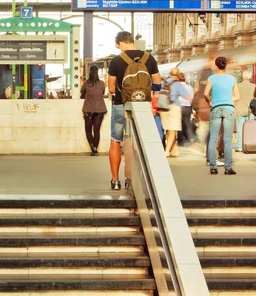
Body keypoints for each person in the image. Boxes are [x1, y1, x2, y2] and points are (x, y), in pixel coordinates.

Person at [107, 31, 161, 191]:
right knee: (134, 141)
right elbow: (158, 83)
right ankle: (130, 178)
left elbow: (110, 88)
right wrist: (149, 94)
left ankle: (115, 180)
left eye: (119, 45)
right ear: (132, 41)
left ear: (121, 43)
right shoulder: (148, 58)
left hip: (120, 104)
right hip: (142, 106)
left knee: (115, 140)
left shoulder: (116, 61)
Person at [203, 56, 240, 175]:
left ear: (216, 65)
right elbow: (238, 96)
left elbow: (205, 93)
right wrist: (229, 99)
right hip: (229, 108)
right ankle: (228, 168)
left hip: (216, 109)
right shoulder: (232, 79)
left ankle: (213, 167)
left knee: (213, 138)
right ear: (226, 66)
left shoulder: (212, 78)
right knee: (227, 140)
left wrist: (210, 101)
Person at [160, 68, 190, 157]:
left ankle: (173, 150)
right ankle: (167, 150)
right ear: (177, 75)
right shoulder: (177, 84)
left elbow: (157, 94)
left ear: (169, 73)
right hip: (174, 107)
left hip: (163, 107)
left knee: (168, 130)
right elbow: (187, 97)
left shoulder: (163, 82)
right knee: (173, 130)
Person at [80, 65, 107, 156]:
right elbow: (102, 93)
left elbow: (82, 92)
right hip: (100, 109)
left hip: (88, 109)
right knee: (96, 131)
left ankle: (93, 148)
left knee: (88, 130)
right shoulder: (102, 83)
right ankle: (95, 149)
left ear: (89, 73)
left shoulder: (86, 83)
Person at [235, 70, 255, 152]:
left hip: (239, 110)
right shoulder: (254, 86)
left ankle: (239, 147)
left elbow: (234, 97)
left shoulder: (237, 86)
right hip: (251, 110)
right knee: (250, 129)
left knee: (240, 130)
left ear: (242, 77)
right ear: (250, 77)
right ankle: (250, 145)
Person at [177, 72, 195, 146]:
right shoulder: (190, 87)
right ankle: (190, 138)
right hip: (188, 107)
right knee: (187, 122)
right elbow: (192, 98)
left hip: (179, 107)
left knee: (179, 124)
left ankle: (180, 140)